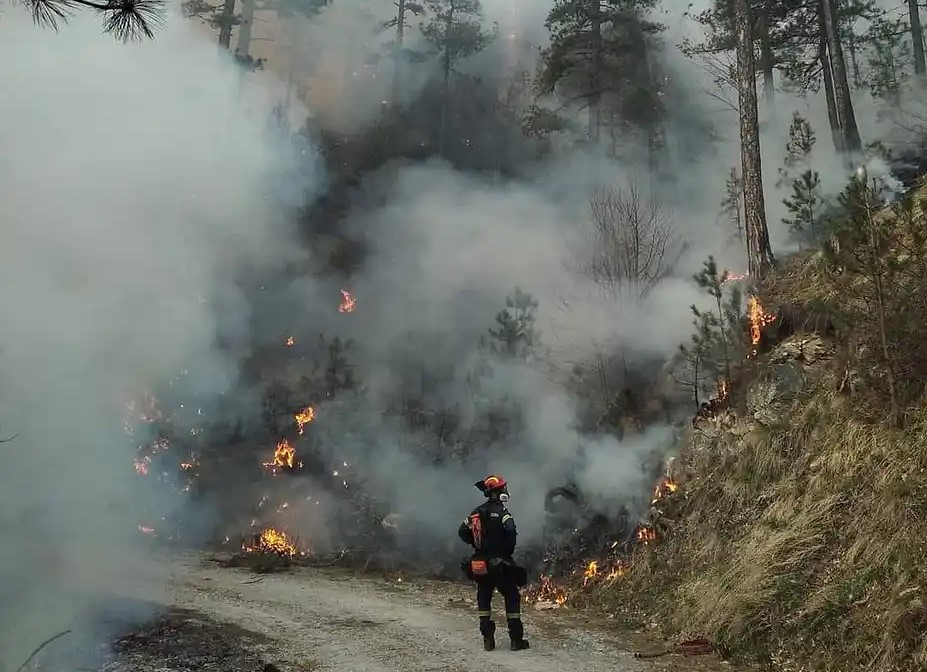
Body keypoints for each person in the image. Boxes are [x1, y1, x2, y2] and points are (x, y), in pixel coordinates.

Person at [457, 474, 530, 652]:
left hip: (480, 564)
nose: (505, 491)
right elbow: (511, 531)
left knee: (484, 598)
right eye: (503, 488)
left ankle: (488, 640)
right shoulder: (504, 514)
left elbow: (462, 531)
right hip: (501, 563)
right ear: (497, 492)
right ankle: (516, 640)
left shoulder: (476, 512)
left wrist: (475, 544)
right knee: (512, 596)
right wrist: (507, 551)